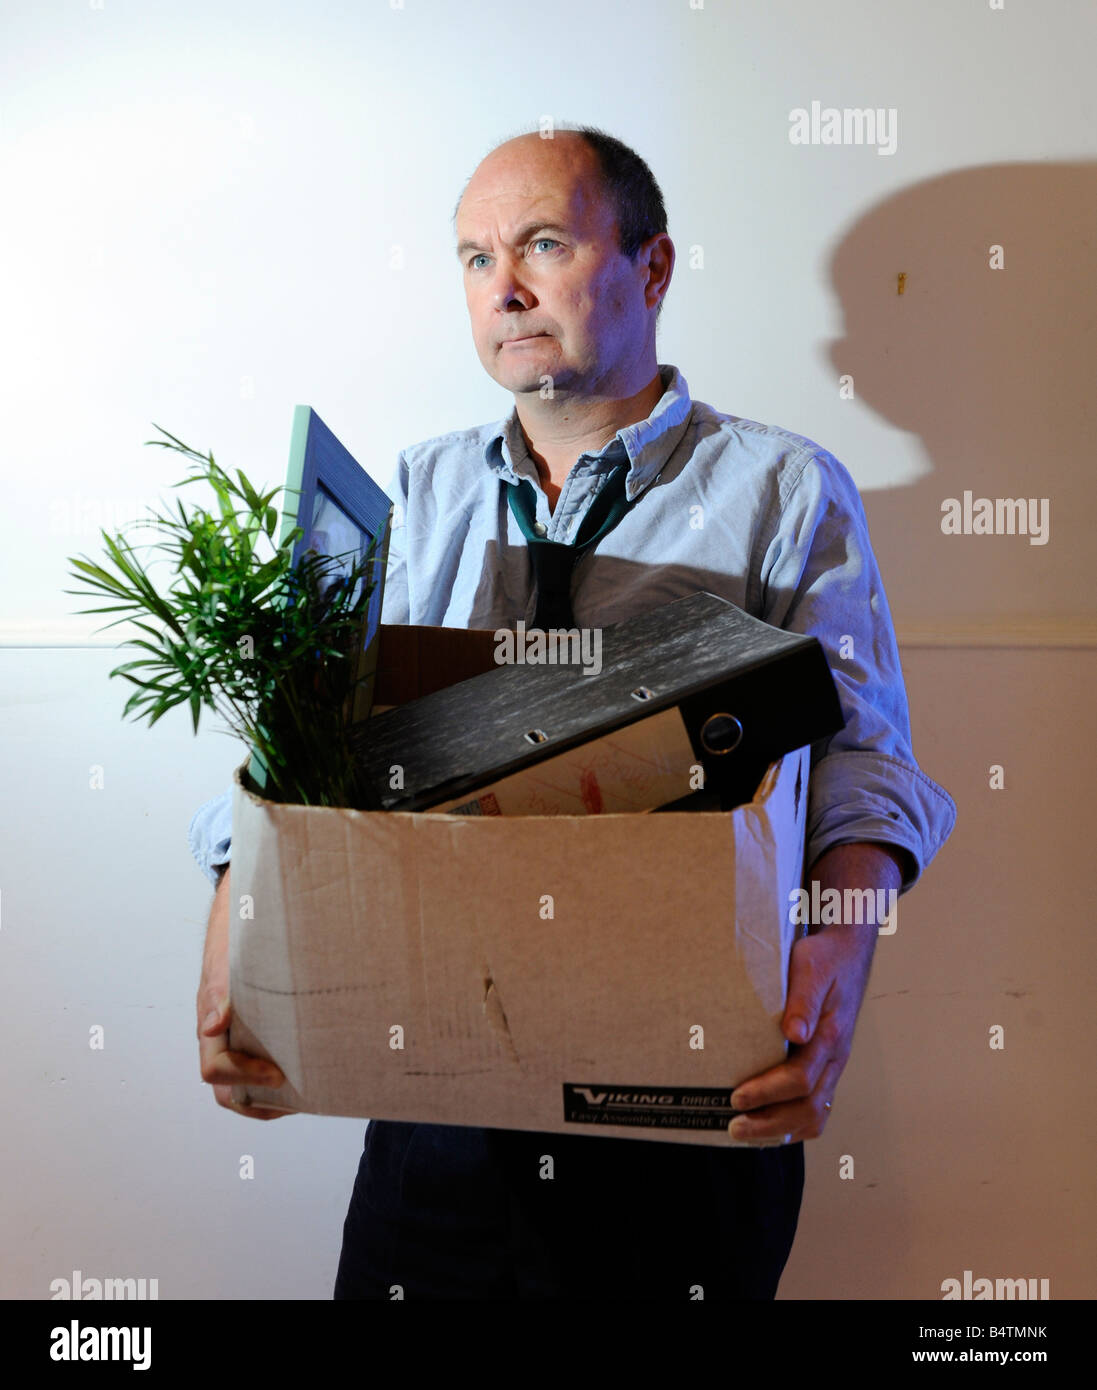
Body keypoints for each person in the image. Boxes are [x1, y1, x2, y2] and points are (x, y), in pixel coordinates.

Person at [190, 124, 956, 1299]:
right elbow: (301, 758)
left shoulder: (784, 489)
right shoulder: (416, 490)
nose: (502, 286)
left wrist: (840, 954)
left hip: (682, 1116)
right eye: (472, 258)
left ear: (649, 268)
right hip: (434, 1108)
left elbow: (861, 767)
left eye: (541, 243)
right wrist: (232, 938)